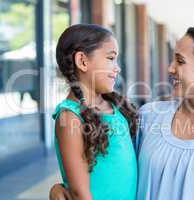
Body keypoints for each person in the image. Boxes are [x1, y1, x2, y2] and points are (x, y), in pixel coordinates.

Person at [50, 24, 194, 200]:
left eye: (180, 61)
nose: (170, 68)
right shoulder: (148, 116)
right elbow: (111, 167)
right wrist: (60, 188)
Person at [51, 24, 138, 200]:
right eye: (110, 58)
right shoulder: (70, 117)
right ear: (82, 61)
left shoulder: (116, 106)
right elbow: (79, 192)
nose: (117, 67)